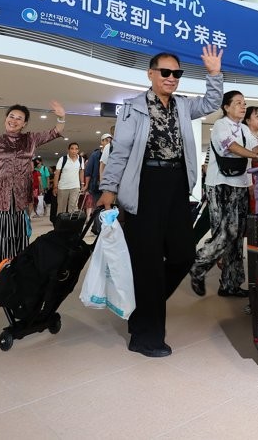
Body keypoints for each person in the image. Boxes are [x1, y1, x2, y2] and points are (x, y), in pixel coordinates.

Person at [97, 45, 224, 358]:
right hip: (145, 186)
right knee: (149, 263)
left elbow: (212, 101)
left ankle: (143, 307)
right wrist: (109, 187)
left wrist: (214, 73)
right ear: (151, 74)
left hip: (177, 185)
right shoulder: (133, 107)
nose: (171, 78)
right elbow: (121, 151)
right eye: (165, 72)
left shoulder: (182, 106)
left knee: (182, 255)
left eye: (176, 73)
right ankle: (145, 336)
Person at [0, 103, 65, 283]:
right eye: (11, 116)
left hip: (19, 196)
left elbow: (54, 132)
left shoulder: (31, 139)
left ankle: (14, 268)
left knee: (17, 235)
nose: (14, 120)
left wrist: (61, 117)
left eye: (19, 118)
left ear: (24, 123)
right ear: (6, 119)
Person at [190, 91, 258, 299]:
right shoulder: (221, 126)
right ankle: (198, 265)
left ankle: (230, 284)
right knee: (224, 234)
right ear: (226, 107)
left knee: (236, 237)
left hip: (240, 185)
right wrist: (256, 156)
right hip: (220, 186)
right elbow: (233, 148)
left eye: (244, 103)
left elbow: (256, 145)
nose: (243, 107)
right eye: (238, 103)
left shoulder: (243, 128)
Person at [52, 142, 85, 214]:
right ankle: (61, 225)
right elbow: (57, 174)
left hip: (75, 186)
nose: (74, 151)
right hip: (63, 187)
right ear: (68, 150)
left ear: (78, 150)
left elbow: (81, 172)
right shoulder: (62, 159)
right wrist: (55, 187)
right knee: (61, 208)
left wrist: (82, 184)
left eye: (76, 149)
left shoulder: (80, 159)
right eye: (72, 149)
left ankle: (72, 225)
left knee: (73, 208)